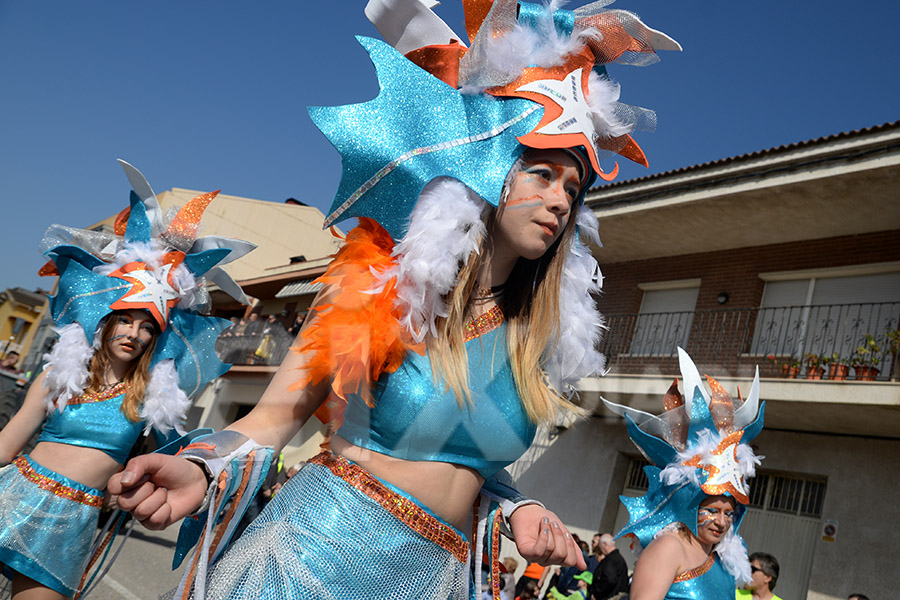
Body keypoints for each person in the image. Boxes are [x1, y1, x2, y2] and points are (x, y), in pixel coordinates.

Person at [110, 1, 679, 598]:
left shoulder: (529, 330)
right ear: (488, 165)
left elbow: (463, 458)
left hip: (433, 579)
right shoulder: (378, 281)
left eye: (573, 187)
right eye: (541, 173)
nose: (561, 201)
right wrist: (201, 466)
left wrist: (518, 505)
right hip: (312, 560)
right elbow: (276, 416)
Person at [0, 160, 251, 599]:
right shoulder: (61, 376)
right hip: (13, 496)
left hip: (71, 523)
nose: (135, 333)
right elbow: (8, 442)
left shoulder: (153, 397)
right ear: (106, 321)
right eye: (127, 321)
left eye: (147, 326)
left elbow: (169, 461)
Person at [605, 349, 767, 600]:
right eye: (712, 510)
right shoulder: (670, 547)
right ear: (688, 504)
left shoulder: (721, 555)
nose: (722, 522)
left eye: (728, 513)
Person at [590, 533, 628, 600]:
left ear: (605, 544)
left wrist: (597, 594)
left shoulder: (611, 560)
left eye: (600, 546)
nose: (600, 549)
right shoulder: (618, 559)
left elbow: (609, 580)